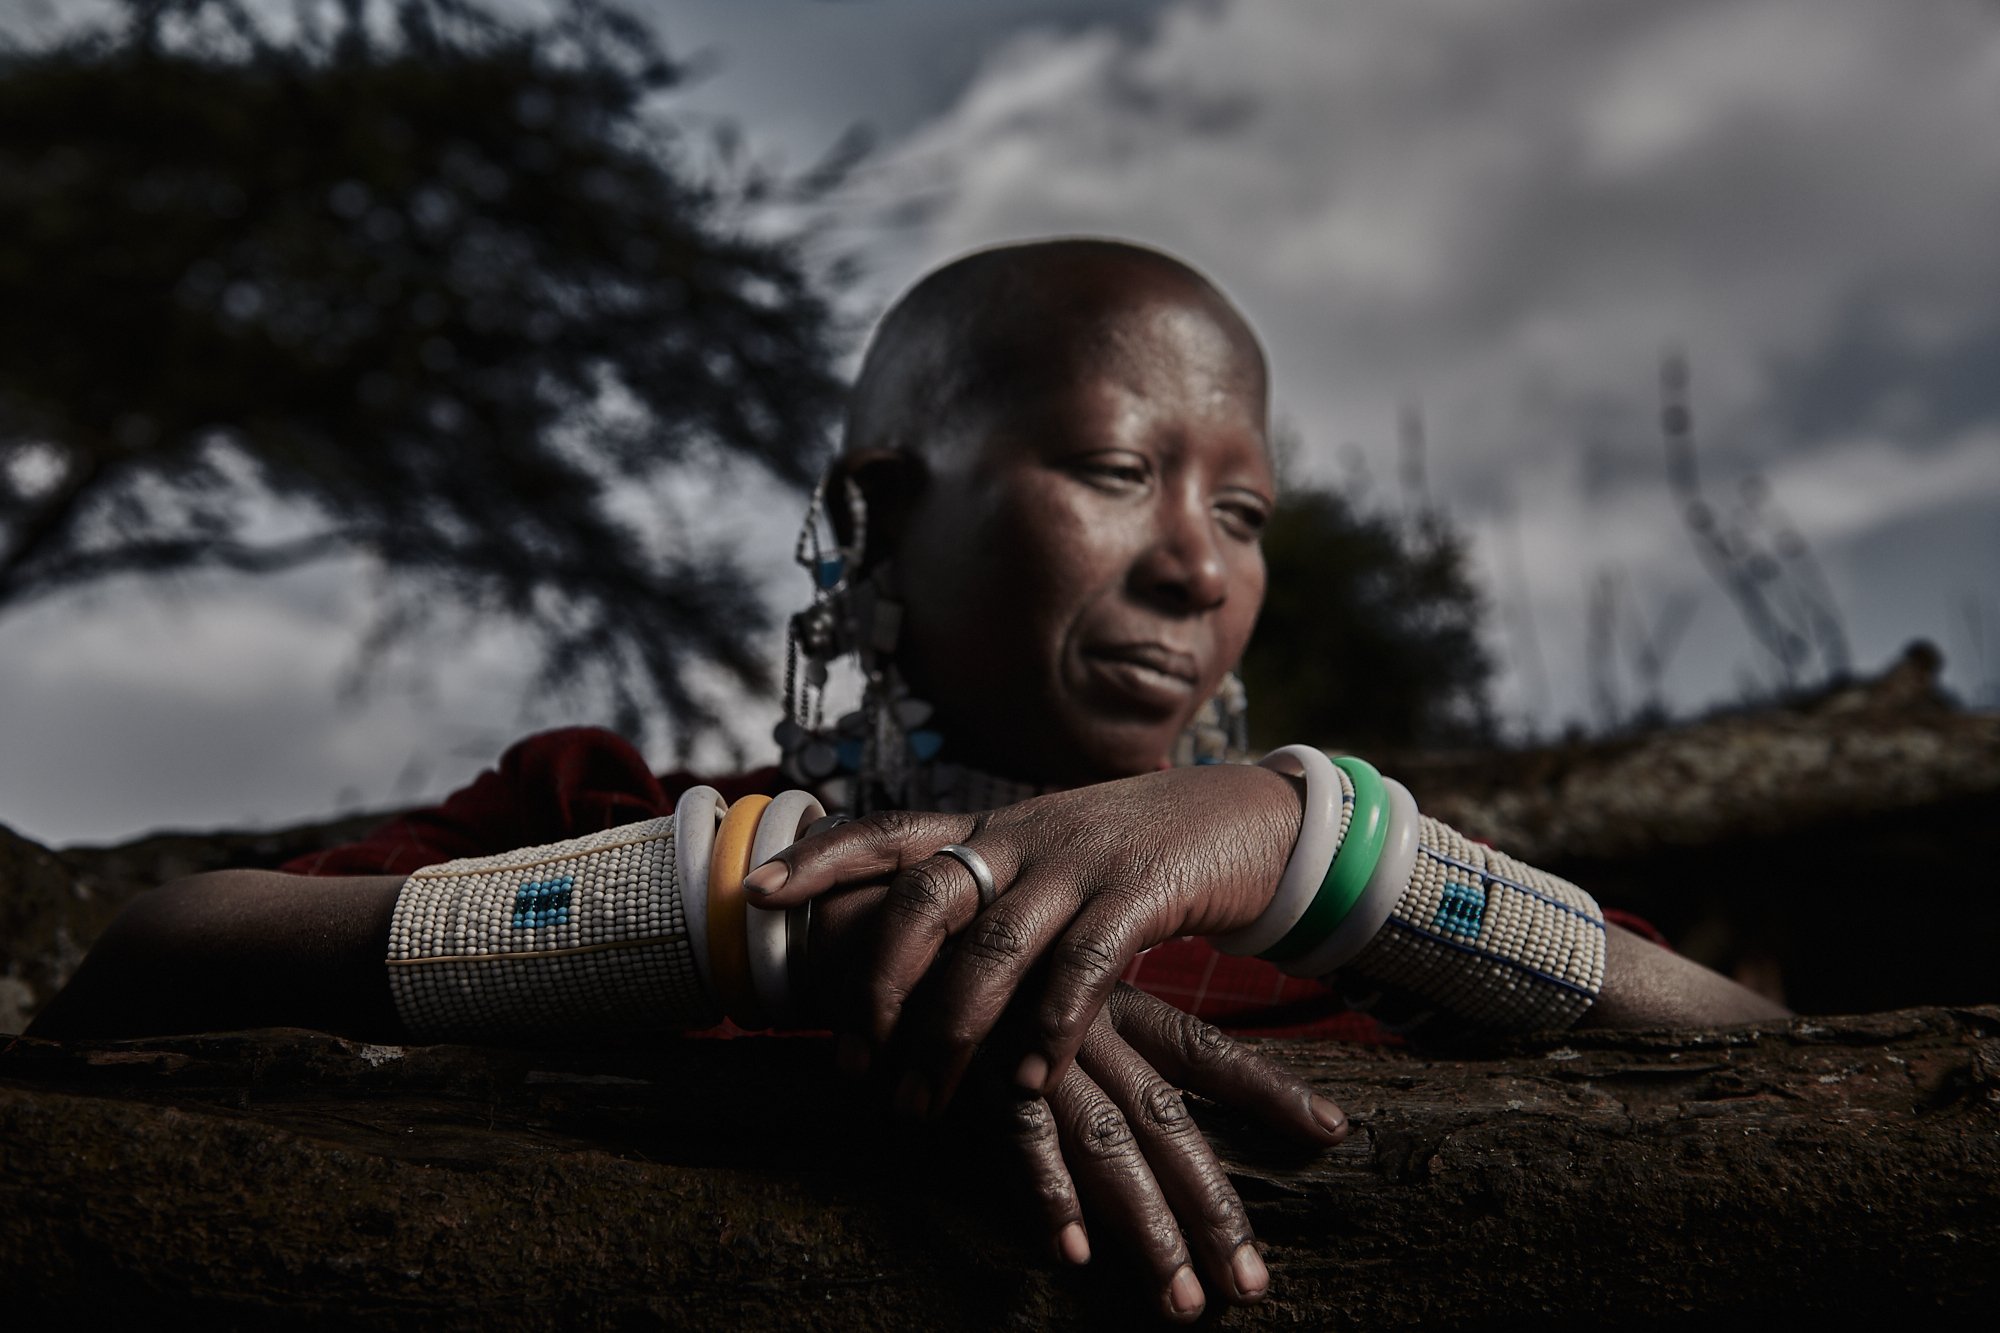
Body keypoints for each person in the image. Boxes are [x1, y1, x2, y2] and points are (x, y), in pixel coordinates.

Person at [29, 238, 1787, 1321]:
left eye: (1241, 512)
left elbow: (1765, 1071)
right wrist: (747, 924)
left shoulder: (1350, 920)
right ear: (872, 511)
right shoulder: (622, 821)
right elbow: (148, 972)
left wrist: (1297, 837)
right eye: (1113, 467)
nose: (1196, 564)